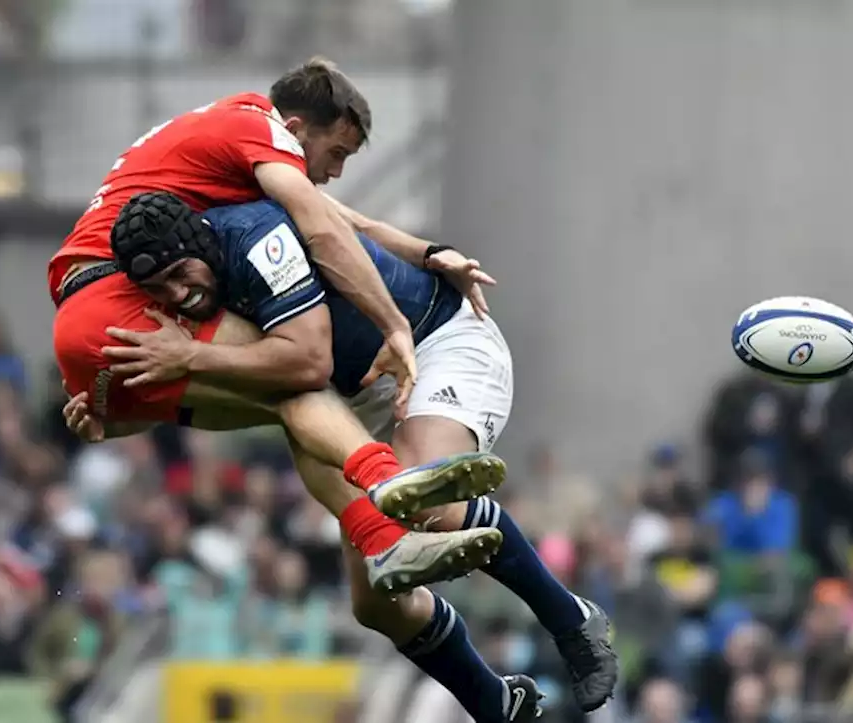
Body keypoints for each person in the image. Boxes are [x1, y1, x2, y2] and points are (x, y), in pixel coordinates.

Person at [87, 192, 620, 716]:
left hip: (433, 341)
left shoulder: (257, 238)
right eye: (160, 288)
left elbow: (309, 359)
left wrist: (191, 357)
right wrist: (111, 418)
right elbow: (223, 399)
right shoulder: (189, 293)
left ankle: (572, 619)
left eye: (183, 274)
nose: (179, 293)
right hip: (354, 392)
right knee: (375, 605)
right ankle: (495, 701)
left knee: (420, 496)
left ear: (198, 242)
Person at [51, 58, 511, 594]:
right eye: (336, 152)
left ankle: (382, 537)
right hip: (116, 294)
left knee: (288, 404)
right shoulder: (257, 128)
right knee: (302, 370)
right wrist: (394, 327)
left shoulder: (224, 141)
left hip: (83, 324)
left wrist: (429, 252)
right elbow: (321, 225)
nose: (335, 170)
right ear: (293, 129)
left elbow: (344, 217)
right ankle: (390, 493)